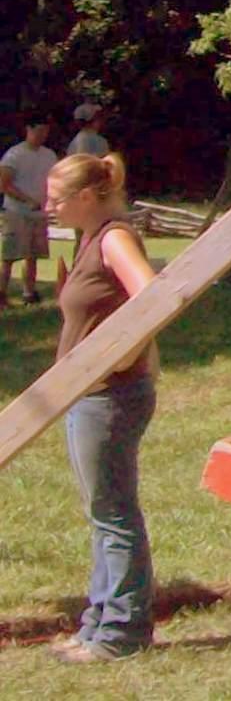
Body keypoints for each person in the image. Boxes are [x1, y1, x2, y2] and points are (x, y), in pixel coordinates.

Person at [45, 150, 158, 663]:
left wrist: (122, 357)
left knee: (113, 513)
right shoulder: (90, 236)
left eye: (56, 200)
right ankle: (98, 623)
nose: (49, 208)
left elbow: (152, 298)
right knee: (102, 511)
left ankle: (121, 634)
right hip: (88, 396)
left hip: (110, 398)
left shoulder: (114, 237)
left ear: (87, 197)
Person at [1, 113, 58, 306]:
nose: (42, 135)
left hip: (39, 213)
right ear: (28, 130)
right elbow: (4, 184)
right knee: (10, 255)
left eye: (45, 131)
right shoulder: (14, 154)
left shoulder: (49, 155)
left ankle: (29, 292)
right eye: (38, 131)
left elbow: (54, 180)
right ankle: (2, 293)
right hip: (16, 212)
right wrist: (27, 200)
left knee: (33, 255)